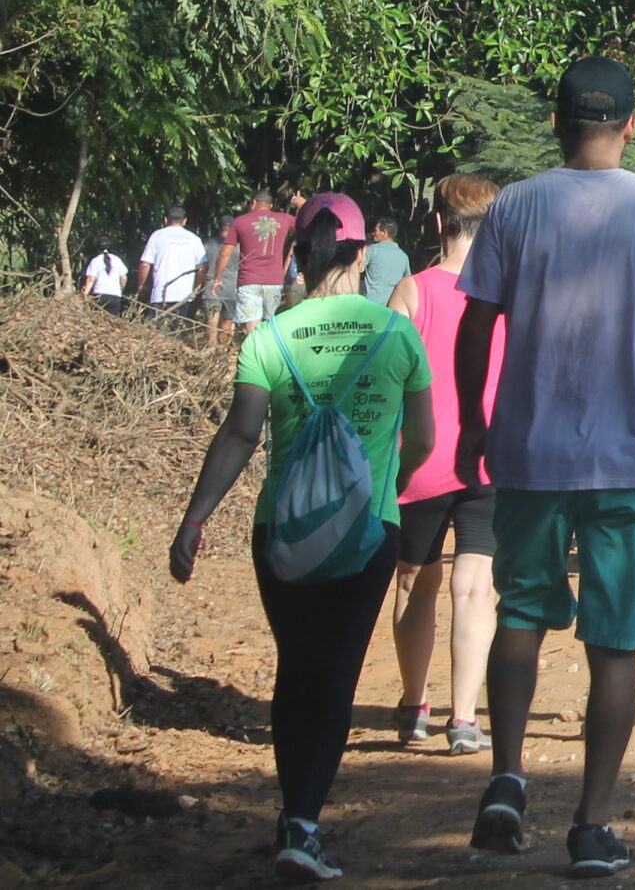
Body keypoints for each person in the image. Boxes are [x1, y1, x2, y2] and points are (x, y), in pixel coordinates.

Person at [448, 56, 635, 878]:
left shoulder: (514, 206)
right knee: (617, 642)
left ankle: (507, 778)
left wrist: (476, 422)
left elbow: (475, 327)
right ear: (632, 123)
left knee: (520, 613)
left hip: (528, 452)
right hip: (625, 460)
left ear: (555, 121)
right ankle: (589, 824)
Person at [168, 197, 433, 882]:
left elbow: (237, 435)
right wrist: (389, 480)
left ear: (299, 254)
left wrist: (193, 519)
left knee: (298, 667)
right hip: (367, 532)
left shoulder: (269, 337)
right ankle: (304, 826)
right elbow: (425, 438)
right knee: (336, 674)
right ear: (359, 254)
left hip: (279, 533)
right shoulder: (395, 335)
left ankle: (294, 812)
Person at [386, 174, 506, 756]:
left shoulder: (411, 291)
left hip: (421, 459)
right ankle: (464, 718)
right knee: (475, 585)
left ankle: (414, 707)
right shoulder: (508, 294)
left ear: (439, 223)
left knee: (416, 579)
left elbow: (387, 385)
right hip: (488, 459)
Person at [213, 186, 297, 343]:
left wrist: (217, 278)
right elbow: (309, 222)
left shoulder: (239, 222)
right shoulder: (284, 219)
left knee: (252, 331)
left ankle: (255, 359)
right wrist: (300, 203)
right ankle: (269, 359)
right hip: (274, 282)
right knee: (270, 326)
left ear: (253, 202)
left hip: (248, 282)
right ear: (270, 205)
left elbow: (225, 253)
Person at [139, 203, 209, 325]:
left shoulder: (157, 236)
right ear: (185, 221)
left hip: (160, 294)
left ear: (165, 220)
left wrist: (141, 285)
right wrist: (195, 288)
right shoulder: (194, 239)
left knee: (157, 332)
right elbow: (203, 267)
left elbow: (145, 264)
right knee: (176, 333)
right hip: (184, 295)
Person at [362, 218, 411, 307]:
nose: (373, 233)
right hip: (391, 309)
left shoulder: (372, 250)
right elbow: (407, 282)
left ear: (384, 232)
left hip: (370, 306)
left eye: (375, 230)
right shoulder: (404, 256)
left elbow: (358, 267)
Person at [81, 238, 129, 314]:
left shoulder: (95, 261)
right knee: (113, 322)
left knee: (99, 322)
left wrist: (85, 293)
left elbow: (91, 279)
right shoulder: (117, 260)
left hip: (100, 296)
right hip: (115, 297)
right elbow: (124, 278)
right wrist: (120, 290)